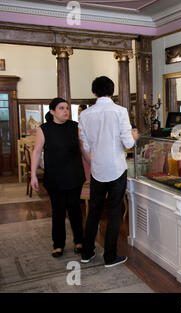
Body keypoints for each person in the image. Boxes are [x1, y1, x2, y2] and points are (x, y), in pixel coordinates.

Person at [79, 76, 139, 268]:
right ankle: (110, 257)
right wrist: (134, 136)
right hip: (116, 168)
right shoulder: (120, 111)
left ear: (94, 92)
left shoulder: (85, 115)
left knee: (94, 212)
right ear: (112, 91)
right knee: (114, 212)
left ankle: (87, 253)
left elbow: (86, 145)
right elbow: (128, 143)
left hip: (97, 170)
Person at [31, 98, 87, 258]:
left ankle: (79, 241)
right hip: (54, 178)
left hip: (74, 176)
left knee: (75, 210)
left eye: (67, 108)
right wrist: (33, 175)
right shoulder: (44, 129)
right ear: (52, 112)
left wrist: (93, 164)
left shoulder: (75, 127)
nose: (65, 111)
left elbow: (83, 149)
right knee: (58, 212)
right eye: (61, 108)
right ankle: (58, 245)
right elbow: (36, 152)